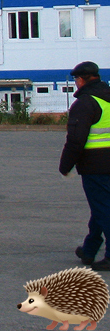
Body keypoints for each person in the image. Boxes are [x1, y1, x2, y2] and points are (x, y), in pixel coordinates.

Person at [61, 61, 110, 271]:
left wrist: (65, 165)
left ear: (81, 80)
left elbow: (76, 139)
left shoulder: (85, 103)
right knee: (101, 209)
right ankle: (89, 250)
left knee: (103, 209)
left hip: (96, 166)